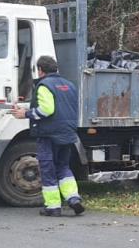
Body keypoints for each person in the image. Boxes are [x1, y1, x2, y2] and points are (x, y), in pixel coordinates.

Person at [11, 56, 84, 217]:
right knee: (63, 167)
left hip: (48, 134)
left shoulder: (44, 85)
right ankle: (73, 199)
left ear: (40, 70)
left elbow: (47, 110)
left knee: (47, 169)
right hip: (67, 133)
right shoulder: (69, 85)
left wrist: (26, 114)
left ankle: (53, 207)